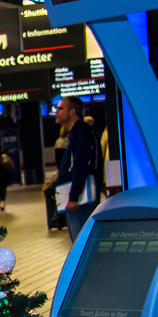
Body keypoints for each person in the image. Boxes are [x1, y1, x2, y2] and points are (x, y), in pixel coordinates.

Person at [53, 96, 101, 242]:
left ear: (72, 112)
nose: (56, 112)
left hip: (81, 200)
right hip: (77, 195)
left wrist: (74, 197)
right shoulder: (78, 132)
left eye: (60, 108)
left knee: (81, 243)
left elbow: (80, 165)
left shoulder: (81, 132)